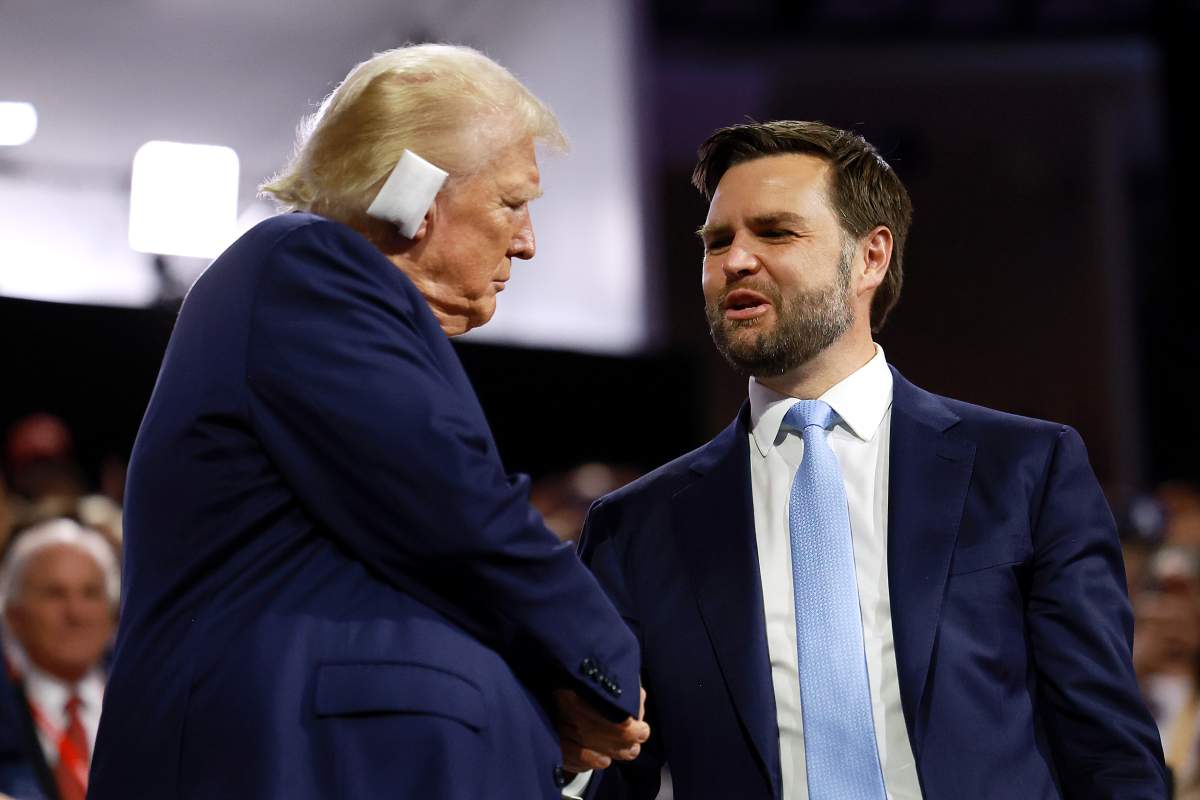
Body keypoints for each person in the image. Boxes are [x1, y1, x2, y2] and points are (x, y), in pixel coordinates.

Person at [89, 44, 646, 800]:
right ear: (411, 193)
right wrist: (606, 662)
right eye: (512, 202)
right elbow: (455, 506)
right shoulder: (304, 264)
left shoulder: (313, 295)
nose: (527, 241)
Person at [577, 120, 1167, 799]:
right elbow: (607, 772)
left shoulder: (1025, 470)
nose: (735, 260)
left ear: (870, 257)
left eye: (775, 232)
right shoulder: (635, 528)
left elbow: (1106, 746)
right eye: (717, 241)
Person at [0, 518, 119, 800]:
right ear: (14, 615)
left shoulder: (149, 701)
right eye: (55, 594)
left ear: (113, 614)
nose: (75, 613)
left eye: (91, 593)